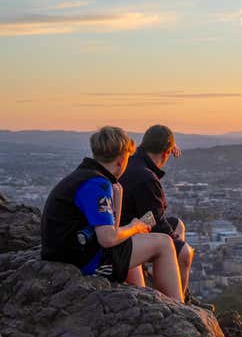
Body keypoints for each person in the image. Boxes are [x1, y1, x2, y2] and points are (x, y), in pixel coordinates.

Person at [41, 126, 183, 301]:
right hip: (84, 261)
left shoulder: (86, 176)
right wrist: (134, 226)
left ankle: (142, 297)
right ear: (121, 160)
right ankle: (178, 304)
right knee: (164, 243)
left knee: (129, 242)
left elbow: (110, 229)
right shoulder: (97, 185)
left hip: (67, 253)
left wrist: (118, 196)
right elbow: (107, 238)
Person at [119, 125, 197, 302]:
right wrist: (175, 239)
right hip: (127, 235)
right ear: (166, 152)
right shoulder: (146, 177)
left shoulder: (132, 160)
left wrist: (168, 148)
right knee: (185, 253)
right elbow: (154, 219)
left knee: (178, 225)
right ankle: (179, 302)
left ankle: (166, 275)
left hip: (129, 223)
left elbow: (149, 215)